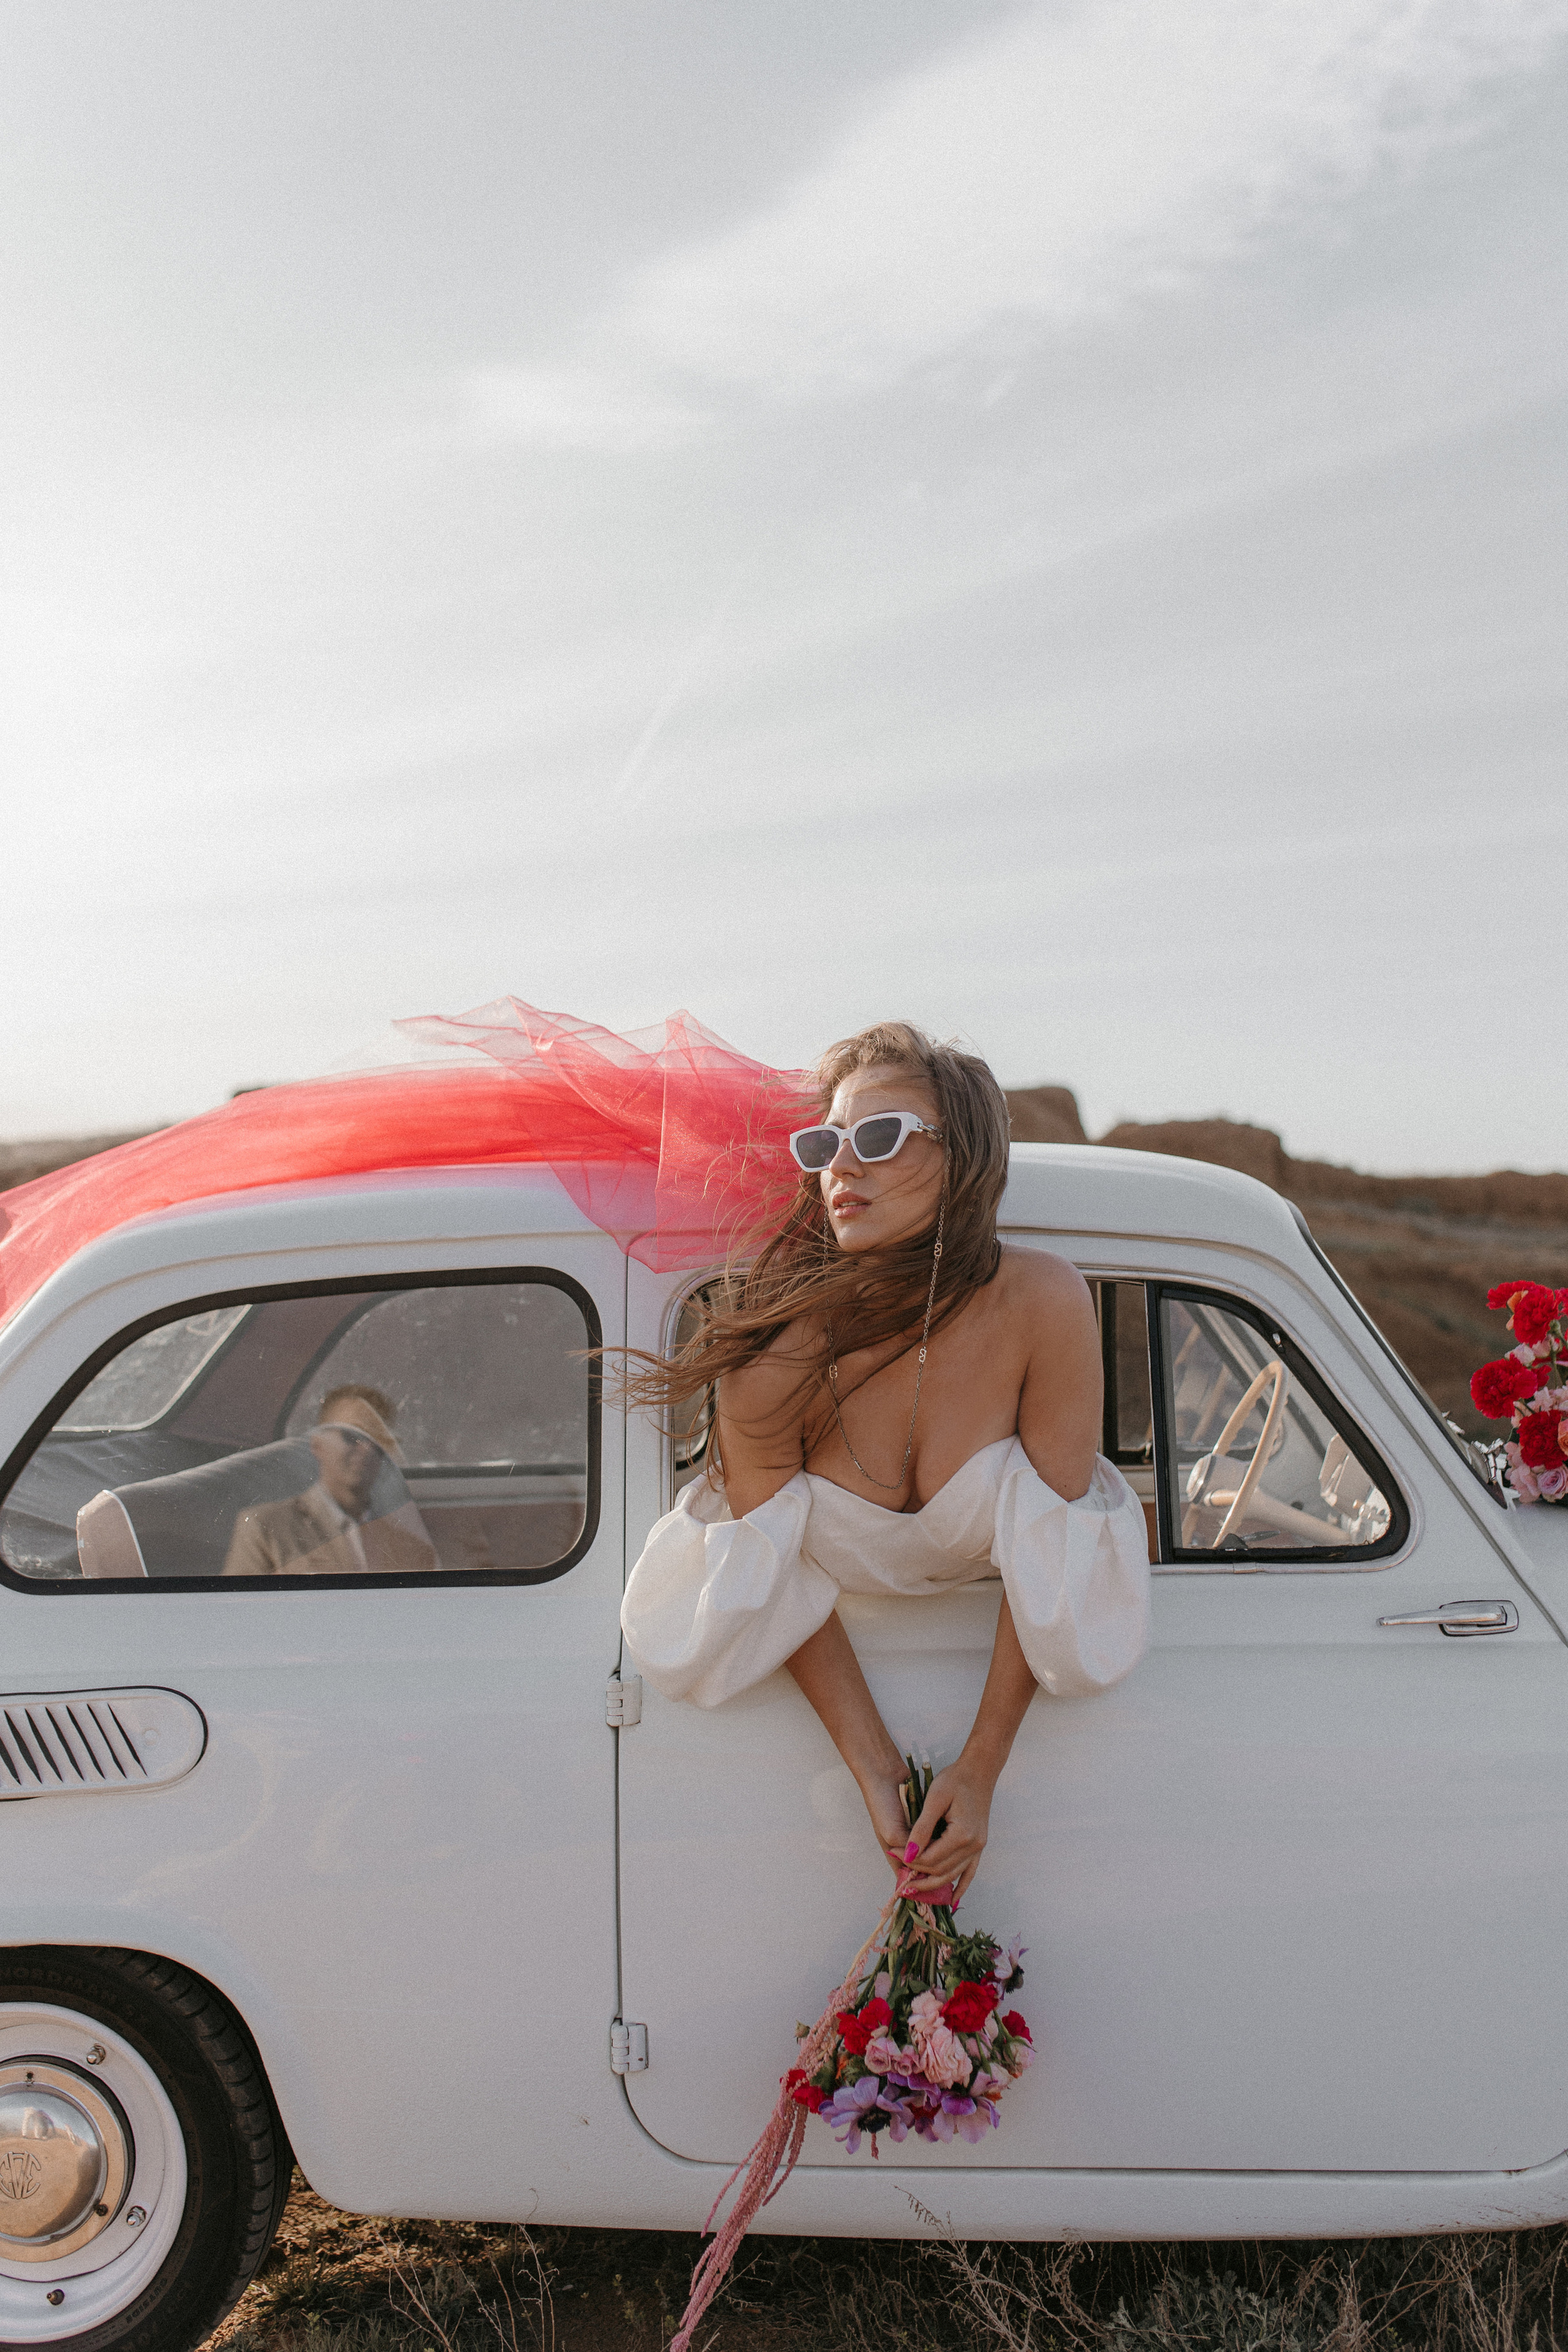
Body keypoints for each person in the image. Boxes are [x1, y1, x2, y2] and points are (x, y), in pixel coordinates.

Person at [619, 1022, 1151, 1904]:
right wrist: (876, 1775)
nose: (841, 1168)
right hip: (782, 1797)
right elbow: (764, 1577)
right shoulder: (774, 1356)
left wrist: (980, 1772)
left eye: (878, 1137)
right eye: (825, 1143)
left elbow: (1051, 1557)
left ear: (964, 1157)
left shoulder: (1041, 1304)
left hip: (1039, 1776)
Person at [223, 1385, 438, 1577]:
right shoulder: (266, 1528)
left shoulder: (410, 1547)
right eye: (352, 1436)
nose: (367, 1450)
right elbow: (237, 1615)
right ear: (318, 1445)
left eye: (378, 1441)